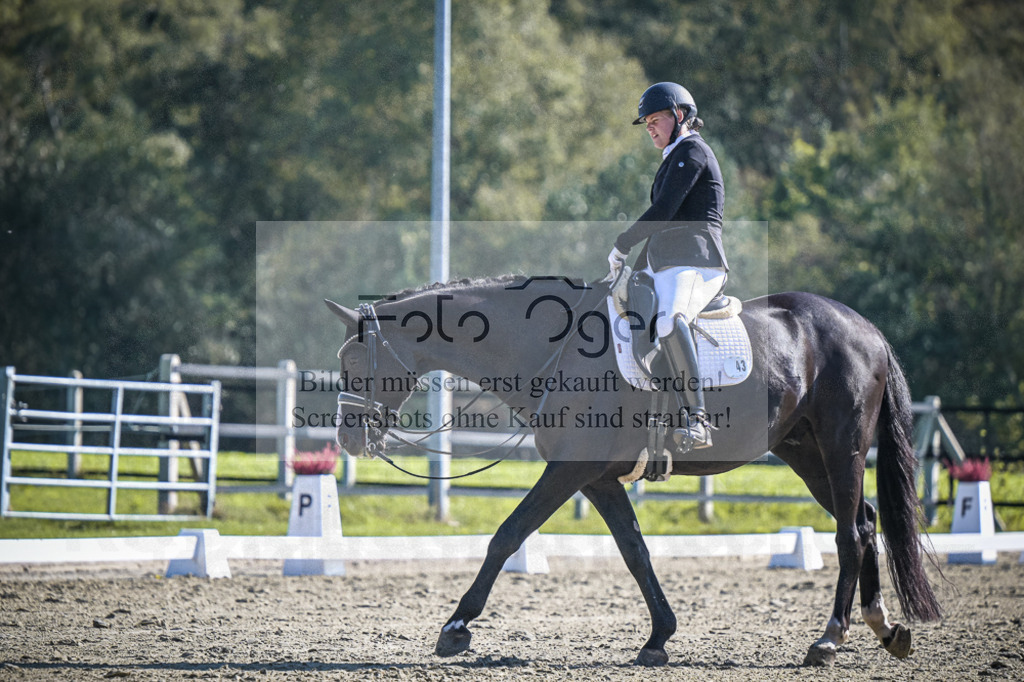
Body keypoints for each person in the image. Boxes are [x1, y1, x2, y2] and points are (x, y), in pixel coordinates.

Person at [607, 82, 727, 449]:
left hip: (697, 261)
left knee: (670, 319)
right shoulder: (674, 156)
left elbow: (663, 212)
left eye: (655, 119)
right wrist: (629, 270)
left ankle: (698, 420)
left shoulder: (692, 152)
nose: (650, 128)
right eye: (646, 123)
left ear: (679, 116)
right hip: (666, 263)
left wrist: (622, 243)